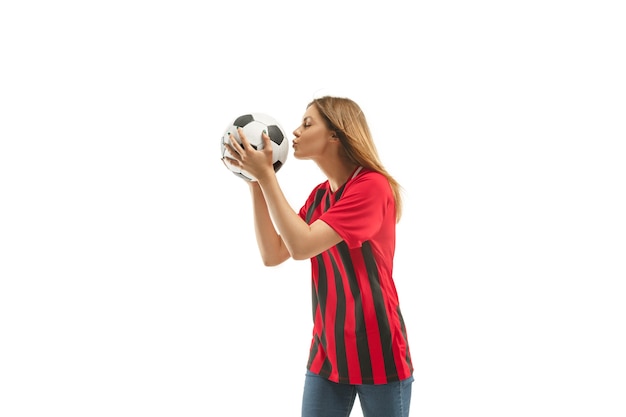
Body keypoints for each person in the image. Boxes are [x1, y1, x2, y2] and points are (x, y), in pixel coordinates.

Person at [223, 96, 414, 417]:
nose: (295, 132)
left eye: (308, 123)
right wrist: (255, 181)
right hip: (328, 353)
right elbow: (274, 253)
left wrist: (267, 176)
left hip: (377, 352)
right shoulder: (321, 196)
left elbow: (302, 246)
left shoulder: (372, 187)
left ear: (336, 135)